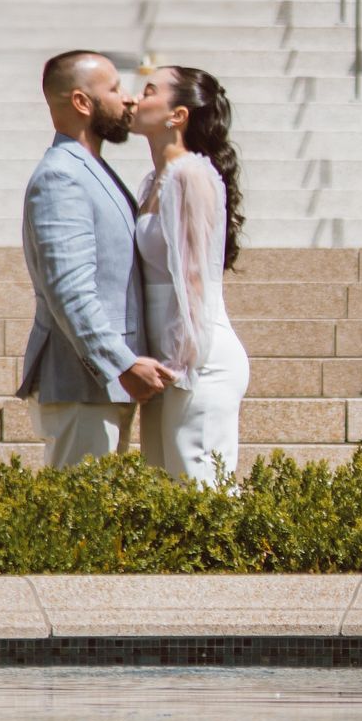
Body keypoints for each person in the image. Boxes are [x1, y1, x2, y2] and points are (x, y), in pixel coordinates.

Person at [19, 50, 174, 470]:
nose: (128, 99)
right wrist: (121, 363)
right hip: (81, 385)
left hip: (101, 387)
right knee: (77, 525)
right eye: (114, 88)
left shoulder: (90, 168)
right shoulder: (61, 176)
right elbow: (70, 290)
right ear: (82, 103)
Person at [129, 64, 251, 486]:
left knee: (202, 496)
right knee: (166, 499)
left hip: (198, 361)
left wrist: (181, 363)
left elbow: (195, 278)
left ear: (177, 115)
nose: (133, 99)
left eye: (147, 91)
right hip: (168, 361)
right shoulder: (153, 182)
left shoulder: (191, 175)